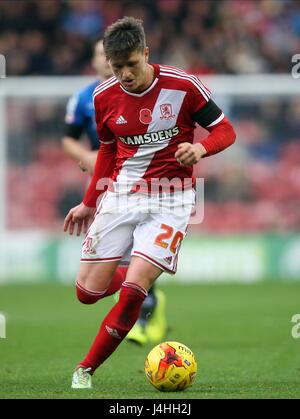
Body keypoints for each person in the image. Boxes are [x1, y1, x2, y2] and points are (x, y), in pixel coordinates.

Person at [64, 17, 236, 389]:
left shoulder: (183, 85)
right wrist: (88, 202)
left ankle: (85, 370)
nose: (125, 74)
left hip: (172, 200)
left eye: (132, 64)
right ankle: (132, 275)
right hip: (123, 193)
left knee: (133, 294)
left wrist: (201, 147)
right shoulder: (102, 96)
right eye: (117, 66)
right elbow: (108, 153)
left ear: (146, 53)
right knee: (87, 293)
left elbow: (225, 130)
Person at [62, 36, 167, 346]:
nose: (103, 60)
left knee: (138, 251)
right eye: (99, 55)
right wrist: (88, 158)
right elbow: (69, 139)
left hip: (138, 185)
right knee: (113, 255)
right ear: (102, 61)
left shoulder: (145, 92)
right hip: (103, 181)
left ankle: (143, 312)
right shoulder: (85, 97)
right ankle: (137, 305)